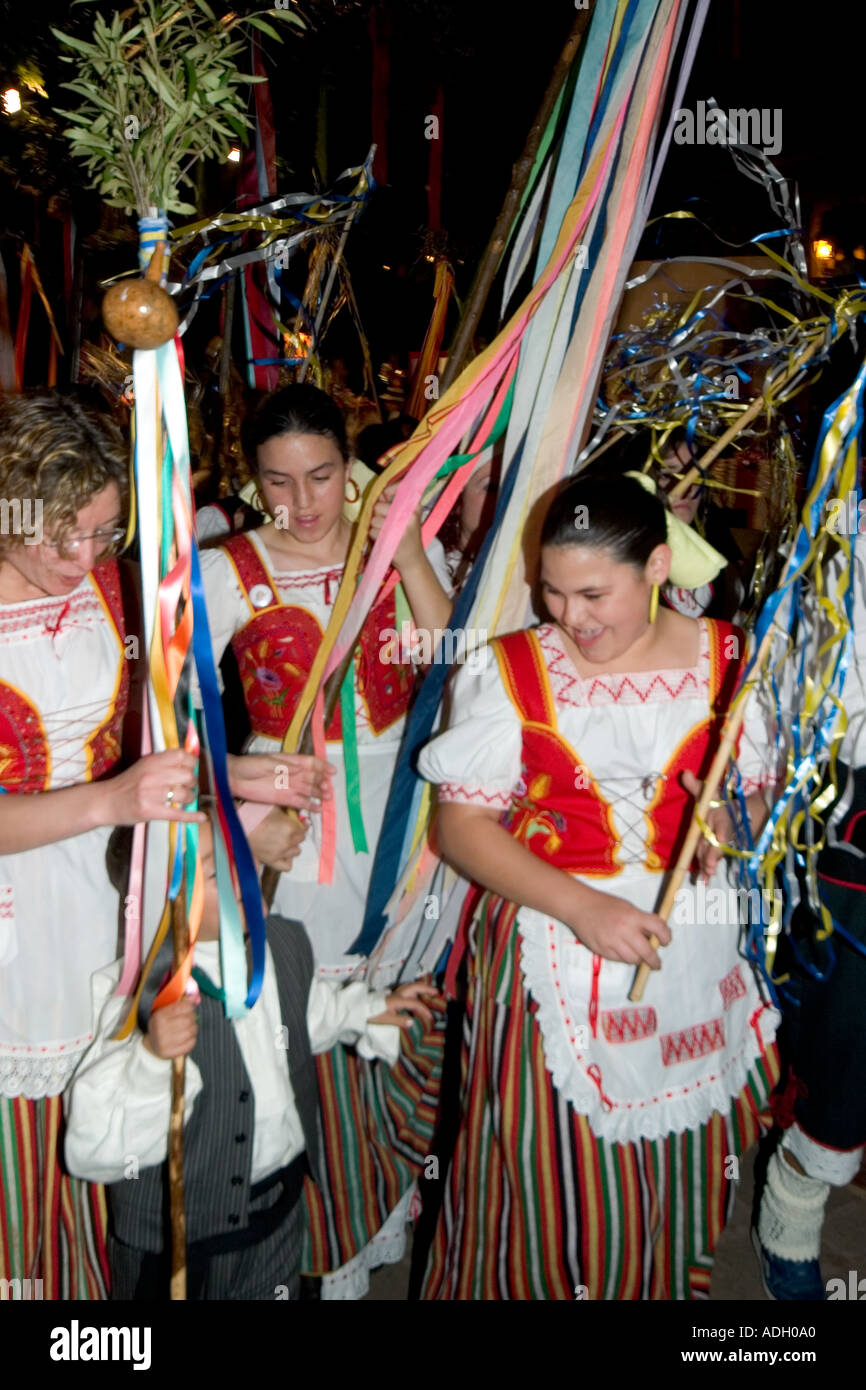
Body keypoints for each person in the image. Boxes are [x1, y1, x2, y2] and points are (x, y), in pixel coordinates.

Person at [416, 470, 779, 1300]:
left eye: (592, 594)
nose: (569, 617)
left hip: (693, 950)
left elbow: (760, 797)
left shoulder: (733, 660)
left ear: (657, 567)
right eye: (552, 591)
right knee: (546, 1172)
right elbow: (460, 828)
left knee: (681, 1159)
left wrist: (734, 818)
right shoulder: (510, 668)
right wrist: (584, 907)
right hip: (552, 936)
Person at [0, 392, 331, 1300]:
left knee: (124, 1104)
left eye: (104, 533)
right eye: (61, 537)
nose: (84, 559)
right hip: (21, 912)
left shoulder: (110, 588)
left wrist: (241, 780)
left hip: (116, 886)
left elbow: (145, 745)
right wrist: (109, 800)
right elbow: (113, 786)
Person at [199, 383, 452, 1298]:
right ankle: (325, 1234)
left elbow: (454, 662)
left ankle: (382, 1205)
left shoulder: (397, 550)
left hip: (404, 809)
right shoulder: (226, 570)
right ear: (251, 480)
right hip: (295, 823)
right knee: (309, 1017)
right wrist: (242, 785)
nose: (302, 503)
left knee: (398, 1004)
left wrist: (409, 547)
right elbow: (169, 716)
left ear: (352, 468)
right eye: (278, 482)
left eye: (320, 476)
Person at [64, 815, 436, 1300]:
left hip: (277, 1213)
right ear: (160, 900)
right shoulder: (133, 994)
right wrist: (151, 1058)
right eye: (215, 870)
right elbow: (90, 1149)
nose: (241, 872)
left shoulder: (283, 944)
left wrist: (370, 1010)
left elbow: (311, 1012)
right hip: (179, 1245)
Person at [752, 538, 866, 1299]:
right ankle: (790, 1211)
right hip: (848, 823)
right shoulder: (839, 550)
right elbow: (799, 702)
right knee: (847, 1042)